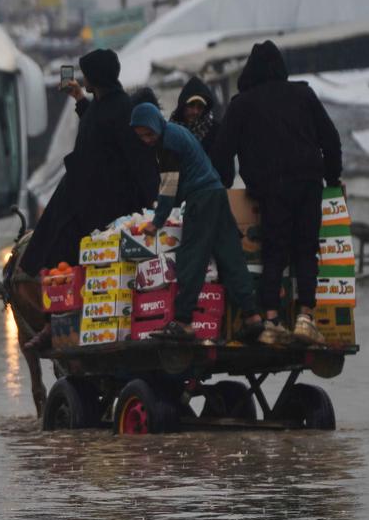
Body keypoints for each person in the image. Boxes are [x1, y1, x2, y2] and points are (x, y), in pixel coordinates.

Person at [212, 40, 342, 345]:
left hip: (271, 188)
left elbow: (221, 152)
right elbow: (331, 139)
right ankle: (305, 317)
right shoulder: (303, 94)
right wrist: (332, 177)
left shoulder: (242, 104)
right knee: (306, 249)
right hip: (309, 182)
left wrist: (227, 183)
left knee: (275, 250)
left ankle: (271, 319)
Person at [130, 102, 265, 342]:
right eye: (141, 137)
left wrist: (157, 221)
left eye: (149, 134)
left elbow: (169, 186)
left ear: (156, 126)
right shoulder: (175, 132)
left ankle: (183, 321)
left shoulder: (168, 142)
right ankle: (252, 315)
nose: (147, 140)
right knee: (230, 255)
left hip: (201, 199)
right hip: (216, 194)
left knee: (191, 257)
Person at [19, 49, 158, 276]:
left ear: (97, 76)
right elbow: (97, 125)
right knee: (52, 238)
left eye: (87, 75)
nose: (84, 80)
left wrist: (153, 202)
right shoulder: (104, 103)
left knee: (64, 245)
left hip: (105, 203)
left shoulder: (123, 109)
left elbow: (137, 158)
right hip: (83, 193)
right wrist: (79, 98)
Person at [169, 76, 220, 154]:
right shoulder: (170, 130)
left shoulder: (215, 131)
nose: (195, 111)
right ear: (183, 106)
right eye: (191, 105)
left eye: (200, 107)